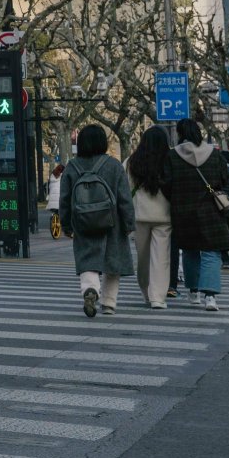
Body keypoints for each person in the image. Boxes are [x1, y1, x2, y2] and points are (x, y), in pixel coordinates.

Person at [59, 125, 135, 318]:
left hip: (83, 222)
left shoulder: (71, 167)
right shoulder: (114, 166)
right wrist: (128, 223)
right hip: (113, 222)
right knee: (113, 261)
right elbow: (125, 198)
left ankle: (89, 290)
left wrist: (66, 225)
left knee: (88, 260)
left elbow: (65, 199)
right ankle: (109, 303)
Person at [164, 118, 229, 312]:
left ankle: (193, 292)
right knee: (211, 252)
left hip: (183, 211)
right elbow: (223, 178)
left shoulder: (172, 156)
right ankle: (210, 297)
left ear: (180, 133)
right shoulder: (214, 154)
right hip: (210, 211)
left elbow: (166, 184)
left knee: (190, 250)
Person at [126, 127, 173, 309]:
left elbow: (125, 188)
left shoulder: (131, 162)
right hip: (164, 216)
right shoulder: (170, 161)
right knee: (161, 258)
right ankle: (158, 297)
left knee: (143, 258)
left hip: (140, 216)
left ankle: (146, 292)